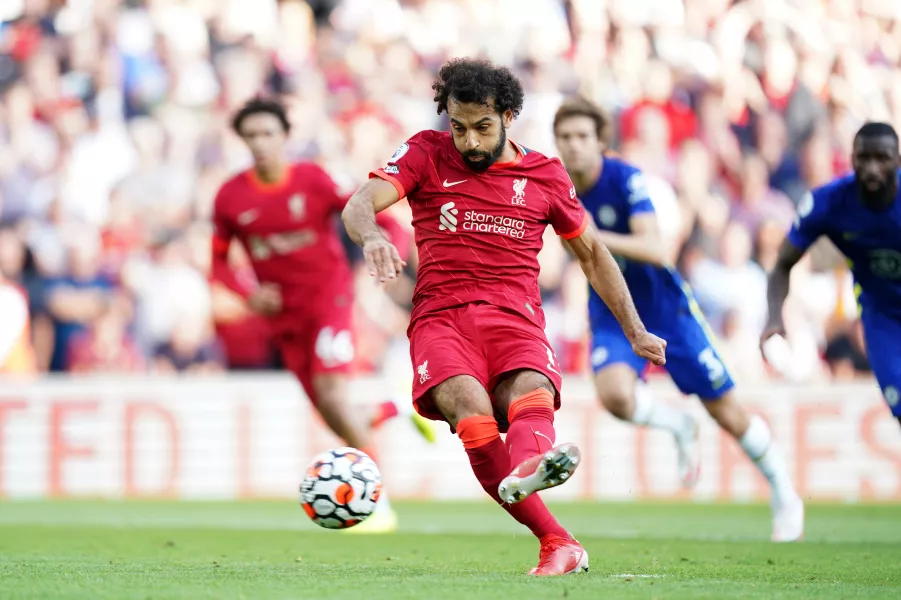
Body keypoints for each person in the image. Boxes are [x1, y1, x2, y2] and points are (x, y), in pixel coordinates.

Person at [342, 58, 666, 576]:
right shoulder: (426, 152)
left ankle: (532, 473)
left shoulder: (545, 174)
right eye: (459, 126)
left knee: (529, 398)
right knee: (471, 413)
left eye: (482, 127)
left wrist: (634, 329)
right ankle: (553, 533)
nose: (469, 141)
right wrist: (375, 235)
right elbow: (360, 203)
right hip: (441, 319)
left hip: (516, 320)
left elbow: (593, 254)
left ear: (510, 116)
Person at [553, 96, 804, 542]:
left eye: (582, 137)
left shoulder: (625, 179)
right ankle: (678, 425)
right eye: (565, 137)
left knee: (726, 412)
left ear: (601, 142)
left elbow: (655, 248)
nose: (573, 146)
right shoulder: (557, 188)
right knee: (614, 396)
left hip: (667, 310)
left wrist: (589, 235)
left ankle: (785, 492)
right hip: (612, 311)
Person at [210, 98, 434, 534]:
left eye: (268, 133)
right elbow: (218, 263)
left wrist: (383, 243)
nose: (260, 143)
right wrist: (249, 295)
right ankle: (394, 408)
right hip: (284, 318)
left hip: (329, 301)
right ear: (243, 140)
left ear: (284, 137)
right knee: (332, 412)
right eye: (251, 135)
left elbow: (368, 209)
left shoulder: (313, 179)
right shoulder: (230, 197)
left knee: (333, 397)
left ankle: (375, 504)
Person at [764, 122, 901, 432]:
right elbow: (783, 264)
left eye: (882, 158)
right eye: (864, 158)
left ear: (898, 161)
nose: (872, 168)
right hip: (882, 319)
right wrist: (775, 317)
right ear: (851, 159)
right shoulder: (829, 204)